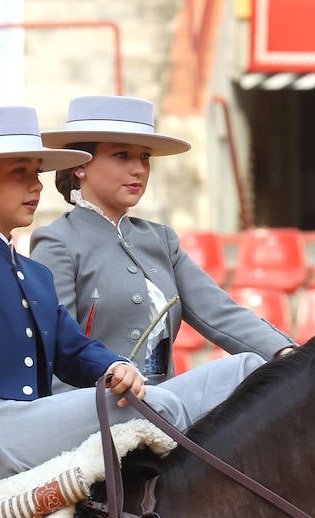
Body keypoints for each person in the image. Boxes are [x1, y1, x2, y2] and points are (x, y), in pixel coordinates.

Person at [0, 105, 265, 488]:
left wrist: (114, 367)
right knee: (157, 406)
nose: (36, 185)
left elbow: (72, 349)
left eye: (36, 172)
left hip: (27, 422)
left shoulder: (33, 274)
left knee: (247, 368)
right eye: (20, 173)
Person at [31, 95, 294, 385]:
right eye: (122, 156)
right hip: (94, 414)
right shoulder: (57, 241)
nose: (139, 169)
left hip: (165, 407)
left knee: (241, 371)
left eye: (144, 157)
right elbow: (56, 350)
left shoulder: (161, 239)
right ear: (81, 166)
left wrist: (285, 354)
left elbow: (218, 312)